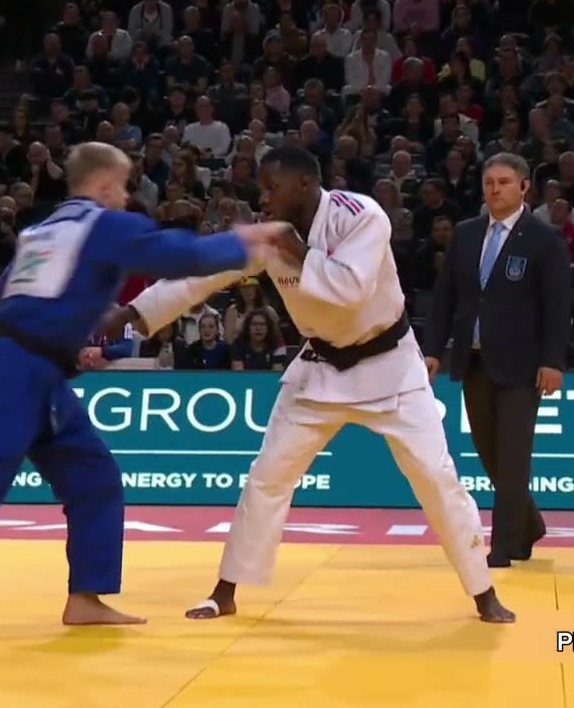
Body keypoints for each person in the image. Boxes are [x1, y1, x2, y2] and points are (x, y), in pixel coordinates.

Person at [0, 142, 289, 639]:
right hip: (20, 374)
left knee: (94, 479)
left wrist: (68, 318)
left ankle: (85, 598)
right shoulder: (103, 225)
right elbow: (179, 255)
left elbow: (6, 291)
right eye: (122, 187)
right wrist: (247, 241)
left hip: (33, 371)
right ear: (104, 185)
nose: (126, 198)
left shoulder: (43, 230)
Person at [109, 146, 514, 624]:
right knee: (267, 477)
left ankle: (483, 591)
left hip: (390, 365)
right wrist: (133, 313)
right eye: (260, 188)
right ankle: (226, 590)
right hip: (319, 366)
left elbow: (349, 290)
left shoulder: (361, 216)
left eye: (271, 187)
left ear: (304, 185)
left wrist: (291, 246)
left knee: (437, 478)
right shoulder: (269, 233)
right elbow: (201, 276)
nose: (262, 197)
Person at [421, 153, 572, 568]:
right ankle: (530, 524)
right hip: (474, 360)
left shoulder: (544, 238)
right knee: (489, 453)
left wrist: (553, 361)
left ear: (524, 187)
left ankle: (504, 547)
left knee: (513, 456)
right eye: (489, 182)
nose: (495, 189)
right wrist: (432, 350)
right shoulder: (467, 233)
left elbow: (558, 305)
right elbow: (445, 297)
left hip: (523, 364)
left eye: (504, 182)